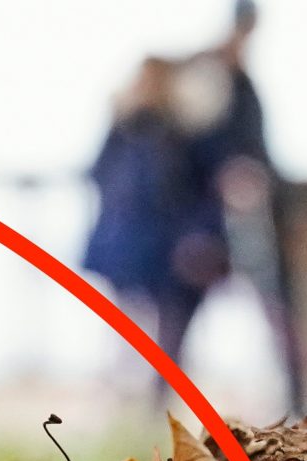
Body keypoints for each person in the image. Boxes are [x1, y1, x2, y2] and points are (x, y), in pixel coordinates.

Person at [176, 0, 306, 413]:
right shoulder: (204, 76)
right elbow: (188, 152)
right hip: (211, 219)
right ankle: (164, 397)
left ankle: (295, 399)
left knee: (277, 307)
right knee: (182, 313)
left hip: (255, 214)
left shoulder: (244, 84)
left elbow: (259, 151)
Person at [83, 58, 213, 379]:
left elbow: (190, 188)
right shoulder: (123, 129)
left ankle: (154, 392)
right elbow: (99, 174)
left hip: (166, 246)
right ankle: (125, 387)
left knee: (167, 325)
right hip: (125, 243)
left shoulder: (180, 133)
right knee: (126, 324)